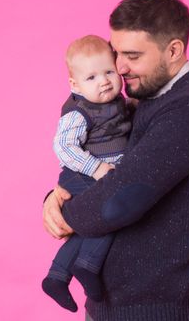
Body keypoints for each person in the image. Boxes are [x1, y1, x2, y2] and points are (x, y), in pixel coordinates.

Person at [43, 0, 189, 321]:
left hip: (157, 313)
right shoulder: (146, 101)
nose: (119, 67)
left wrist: (64, 212)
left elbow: (120, 199)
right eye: (115, 52)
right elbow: (109, 169)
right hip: (117, 309)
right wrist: (57, 196)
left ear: (173, 50)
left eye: (132, 56)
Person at [42, 35, 132, 312]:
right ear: (75, 85)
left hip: (99, 173)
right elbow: (63, 147)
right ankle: (88, 266)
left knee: (85, 227)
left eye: (108, 72)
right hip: (79, 174)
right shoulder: (79, 112)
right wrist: (97, 168)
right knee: (109, 211)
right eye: (91, 77)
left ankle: (57, 276)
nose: (104, 81)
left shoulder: (117, 101)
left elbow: (120, 122)